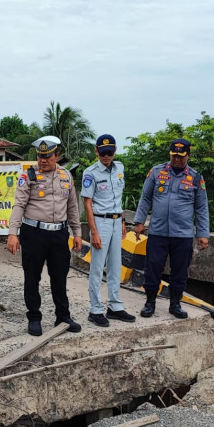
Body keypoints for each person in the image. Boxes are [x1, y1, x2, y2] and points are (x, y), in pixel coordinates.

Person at [7, 136, 83, 337]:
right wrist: (12, 233)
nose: (42, 160)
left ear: (57, 156)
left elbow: (72, 207)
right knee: (32, 277)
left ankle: (63, 316)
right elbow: (19, 205)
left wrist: (77, 233)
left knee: (59, 277)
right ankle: (34, 317)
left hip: (59, 234)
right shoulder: (28, 176)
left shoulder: (67, 176)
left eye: (47, 156)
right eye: (40, 156)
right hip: (34, 234)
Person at [133, 138, 209, 319]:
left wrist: (203, 233)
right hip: (158, 231)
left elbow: (201, 207)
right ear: (170, 154)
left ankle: (175, 304)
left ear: (188, 155)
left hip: (182, 235)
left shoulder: (196, 178)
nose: (177, 159)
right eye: (174, 155)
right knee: (152, 267)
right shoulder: (157, 172)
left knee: (180, 270)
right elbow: (145, 198)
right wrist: (139, 222)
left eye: (181, 156)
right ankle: (150, 302)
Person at [81, 134, 136, 327]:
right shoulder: (90, 173)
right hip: (100, 222)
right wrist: (94, 232)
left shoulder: (119, 168)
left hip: (115, 221)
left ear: (115, 151)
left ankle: (114, 306)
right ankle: (95, 310)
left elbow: (117, 198)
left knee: (115, 265)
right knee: (97, 267)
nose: (106, 156)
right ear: (96, 151)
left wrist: (121, 220)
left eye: (109, 152)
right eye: (103, 152)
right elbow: (87, 204)